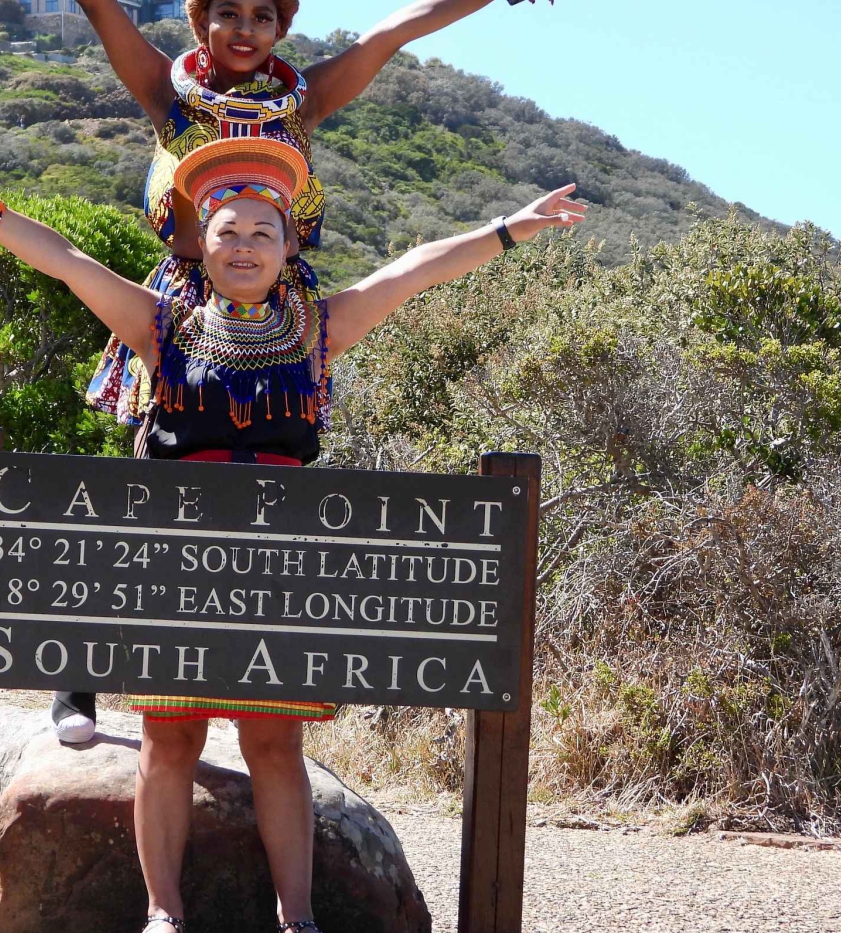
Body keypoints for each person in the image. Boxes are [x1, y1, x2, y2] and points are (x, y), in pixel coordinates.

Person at [0, 137, 584, 933]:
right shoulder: (162, 326)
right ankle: (164, 913)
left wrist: (509, 229)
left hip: (279, 577)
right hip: (180, 571)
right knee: (169, 742)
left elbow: (412, 271)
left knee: (275, 746)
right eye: (227, 231)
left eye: (263, 234)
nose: (243, 247)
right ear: (201, 240)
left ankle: (299, 919)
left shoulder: (318, 329)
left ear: (289, 247)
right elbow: (65, 259)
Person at [49, 0, 549, 743]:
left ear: (282, 28)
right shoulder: (168, 89)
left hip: (277, 301)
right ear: (200, 22)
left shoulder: (304, 99)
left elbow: (392, 31)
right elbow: (103, 10)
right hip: (186, 300)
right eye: (228, 13)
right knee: (150, 476)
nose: (245, 30)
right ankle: (80, 682)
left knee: (277, 464)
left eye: (262, 15)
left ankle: (259, 668)